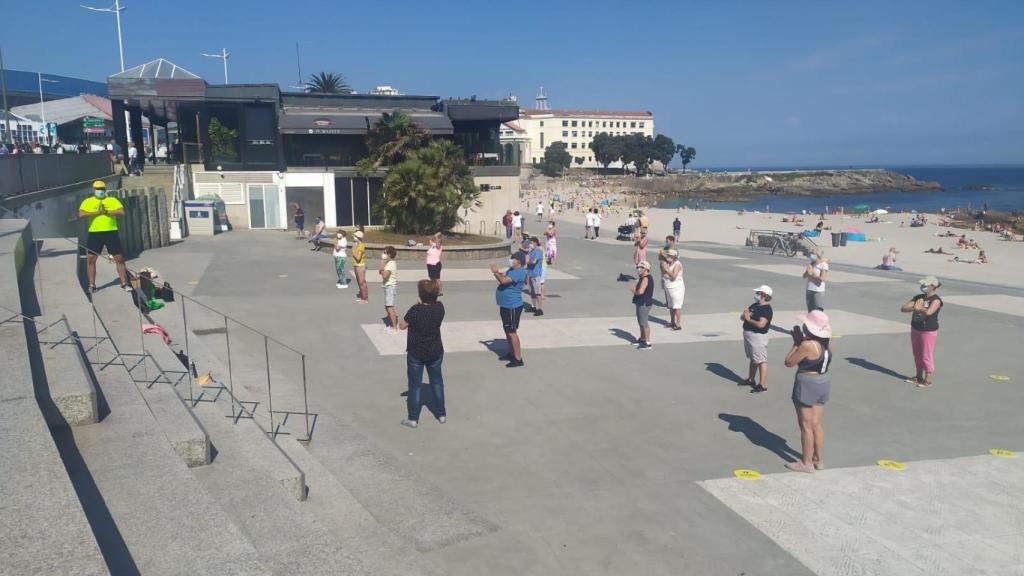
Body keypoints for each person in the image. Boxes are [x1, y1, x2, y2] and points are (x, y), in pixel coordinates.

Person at [784, 310, 833, 473]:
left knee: (805, 425)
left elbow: (789, 362)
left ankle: (806, 463)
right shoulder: (827, 342)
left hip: (807, 383)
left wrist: (797, 343)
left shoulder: (807, 345)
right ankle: (818, 459)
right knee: (817, 424)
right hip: (823, 381)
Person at [399, 279, 446, 428]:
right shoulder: (439, 308)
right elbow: (435, 299)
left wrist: (417, 304)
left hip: (416, 352)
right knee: (437, 382)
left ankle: (413, 418)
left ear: (420, 295)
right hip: (435, 350)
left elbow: (402, 326)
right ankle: (441, 413)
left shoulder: (415, 310)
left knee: (415, 385)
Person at [78, 180, 130, 291]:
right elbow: (81, 214)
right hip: (95, 233)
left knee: (119, 258)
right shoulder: (88, 201)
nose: (100, 191)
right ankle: (92, 285)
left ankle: (124, 283)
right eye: (97, 189)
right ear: (94, 190)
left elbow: (121, 212)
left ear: (105, 189)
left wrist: (106, 212)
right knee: (91, 259)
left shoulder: (112, 200)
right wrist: (96, 213)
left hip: (111, 231)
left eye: (102, 189)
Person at [900, 276, 943, 388]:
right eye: (922, 285)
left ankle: (927, 379)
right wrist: (915, 307)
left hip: (928, 330)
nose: (923, 287)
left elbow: (929, 312)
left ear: (933, 287)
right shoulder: (919, 297)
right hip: (916, 328)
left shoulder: (936, 300)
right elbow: (904, 308)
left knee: (926, 355)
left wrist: (920, 309)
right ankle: (918, 376)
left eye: (925, 285)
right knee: (917, 353)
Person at [490, 256, 527, 367]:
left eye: (513, 259)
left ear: (519, 262)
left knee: (512, 332)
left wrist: (496, 272)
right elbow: (504, 276)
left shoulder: (520, 272)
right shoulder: (512, 270)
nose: (511, 261)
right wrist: (498, 273)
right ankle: (511, 353)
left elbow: (503, 280)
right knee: (507, 330)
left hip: (512, 306)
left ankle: (518, 358)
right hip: (505, 305)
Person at [741, 286, 774, 393]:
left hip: (758, 338)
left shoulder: (766, 309)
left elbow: (761, 324)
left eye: (758, 293)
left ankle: (762, 384)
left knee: (761, 361)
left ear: (764, 295)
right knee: (753, 358)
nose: (756, 295)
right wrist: (744, 316)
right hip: (749, 336)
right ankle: (751, 379)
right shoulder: (755, 305)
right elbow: (743, 317)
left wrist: (749, 319)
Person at [631, 260, 654, 350]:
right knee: (641, 321)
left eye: (641, 267)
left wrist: (633, 290)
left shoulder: (646, 278)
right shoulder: (642, 277)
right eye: (638, 267)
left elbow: (640, 291)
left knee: (644, 323)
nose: (639, 269)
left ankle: (647, 343)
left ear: (646, 269)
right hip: (640, 302)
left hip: (644, 303)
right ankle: (642, 338)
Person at [660, 249, 685, 330]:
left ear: (674, 257)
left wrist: (667, 269)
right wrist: (663, 268)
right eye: (668, 256)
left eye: (670, 256)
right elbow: (663, 274)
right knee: (670, 306)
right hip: (668, 287)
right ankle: (672, 322)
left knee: (676, 306)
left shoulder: (677, 264)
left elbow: (673, 276)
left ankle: (678, 324)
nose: (668, 257)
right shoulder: (666, 263)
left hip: (677, 288)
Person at [379, 246, 399, 330]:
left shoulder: (391, 264)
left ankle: (394, 327)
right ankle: (392, 322)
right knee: (387, 306)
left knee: (389, 307)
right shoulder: (388, 263)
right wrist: (382, 266)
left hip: (390, 287)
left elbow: (384, 275)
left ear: (389, 254)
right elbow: (380, 272)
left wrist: (382, 266)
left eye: (385, 252)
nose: (383, 254)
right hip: (388, 287)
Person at [526, 237, 545, 316]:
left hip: (536, 275)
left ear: (535, 243)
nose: (530, 244)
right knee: (532, 293)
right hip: (530, 274)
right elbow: (527, 261)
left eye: (531, 242)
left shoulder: (538, 251)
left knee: (537, 293)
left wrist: (528, 260)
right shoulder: (531, 252)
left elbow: (533, 261)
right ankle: (533, 306)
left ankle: (540, 309)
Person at [352, 230, 368, 303]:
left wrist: (353, 251)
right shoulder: (356, 245)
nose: (353, 237)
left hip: (360, 266)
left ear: (358, 237)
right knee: (359, 282)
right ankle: (362, 296)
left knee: (362, 282)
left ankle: (365, 298)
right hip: (356, 265)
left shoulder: (361, 245)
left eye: (355, 236)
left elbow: (358, 258)